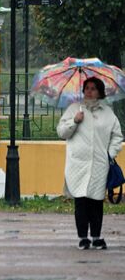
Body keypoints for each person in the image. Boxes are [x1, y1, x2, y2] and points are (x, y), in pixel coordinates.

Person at [57, 77, 123, 250]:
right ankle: (83, 238)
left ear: (100, 92)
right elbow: (61, 132)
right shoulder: (74, 110)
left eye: (93, 88)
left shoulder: (108, 113)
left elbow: (117, 136)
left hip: (99, 164)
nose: (89, 91)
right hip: (78, 164)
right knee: (81, 201)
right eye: (86, 88)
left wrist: (110, 153)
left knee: (96, 201)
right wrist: (74, 121)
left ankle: (97, 236)